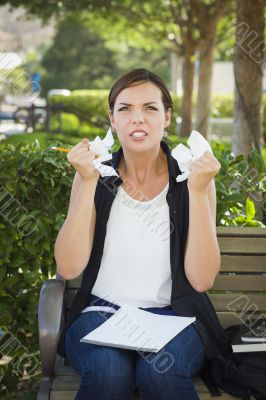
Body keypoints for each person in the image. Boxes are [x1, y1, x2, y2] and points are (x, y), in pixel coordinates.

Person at [55, 68, 228, 400]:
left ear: (166, 117)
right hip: (99, 314)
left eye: (150, 108)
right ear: (112, 120)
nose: (138, 119)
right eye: (125, 109)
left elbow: (202, 279)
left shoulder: (194, 177)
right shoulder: (94, 174)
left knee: (160, 373)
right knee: (108, 372)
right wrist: (88, 182)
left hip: (173, 318)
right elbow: (69, 268)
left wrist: (198, 191)